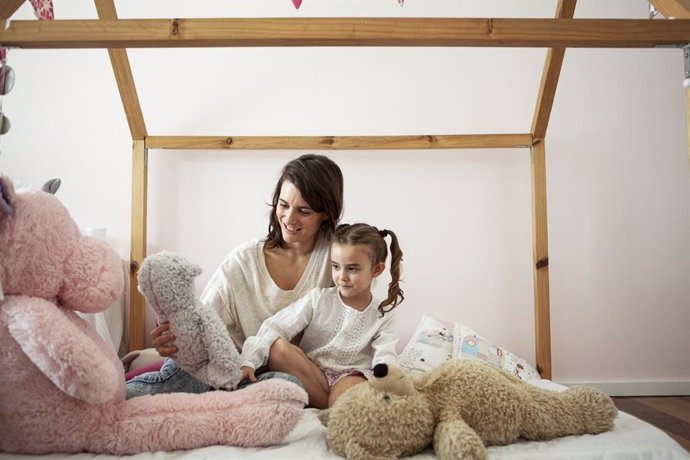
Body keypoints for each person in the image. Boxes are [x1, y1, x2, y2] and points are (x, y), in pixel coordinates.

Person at [126, 154, 344, 398]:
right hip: (219, 363)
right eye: (283, 205)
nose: (289, 218)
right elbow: (202, 318)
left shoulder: (336, 262)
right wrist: (172, 336)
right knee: (181, 381)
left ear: (326, 212)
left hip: (267, 372)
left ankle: (229, 397)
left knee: (287, 387)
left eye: (303, 211)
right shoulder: (244, 259)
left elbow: (354, 318)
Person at [239, 223, 405, 409]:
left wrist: (389, 383)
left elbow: (385, 356)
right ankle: (330, 408)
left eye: (352, 269)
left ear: (376, 270)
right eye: (336, 266)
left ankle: (334, 409)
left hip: (350, 376)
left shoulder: (383, 314)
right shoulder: (318, 298)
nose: (341, 276)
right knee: (277, 347)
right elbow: (276, 326)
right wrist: (248, 361)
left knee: (346, 393)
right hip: (313, 373)